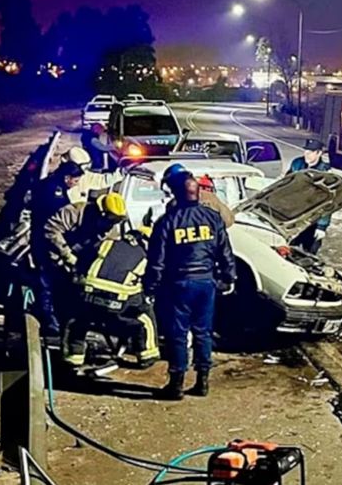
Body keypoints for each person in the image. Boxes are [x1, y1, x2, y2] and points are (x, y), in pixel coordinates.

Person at [146, 175, 236, 400]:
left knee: (178, 333)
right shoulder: (213, 218)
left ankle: (176, 384)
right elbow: (225, 251)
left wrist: (150, 287)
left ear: (176, 194)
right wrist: (229, 277)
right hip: (206, 283)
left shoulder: (168, 221)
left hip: (178, 284)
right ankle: (202, 381)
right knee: (203, 332)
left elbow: (157, 260)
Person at [62, 216, 160, 370]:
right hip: (120, 299)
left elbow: (85, 259)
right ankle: (147, 354)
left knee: (77, 319)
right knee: (144, 318)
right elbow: (151, 281)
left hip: (90, 293)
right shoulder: (146, 254)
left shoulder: (108, 243)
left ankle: (74, 357)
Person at [30, 161, 84, 336]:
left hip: (40, 238)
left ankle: (52, 317)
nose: (76, 184)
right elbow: (55, 219)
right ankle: (49, 321)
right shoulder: (55, 192)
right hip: (44, 241)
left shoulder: (49, 183)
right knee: (47, 281)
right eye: (75, 181)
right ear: (67, 178)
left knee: (48, 280)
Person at [287, 139, 331, 254]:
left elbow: (328, 202)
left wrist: (321, 227)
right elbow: (285, 185)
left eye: (311, 152)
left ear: (319, 153)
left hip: (313, 220)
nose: (306, 154)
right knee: (287, 251)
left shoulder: (325, 172)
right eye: (306, 151)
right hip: (295, 217)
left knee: (309, 254)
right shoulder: (297, 163)